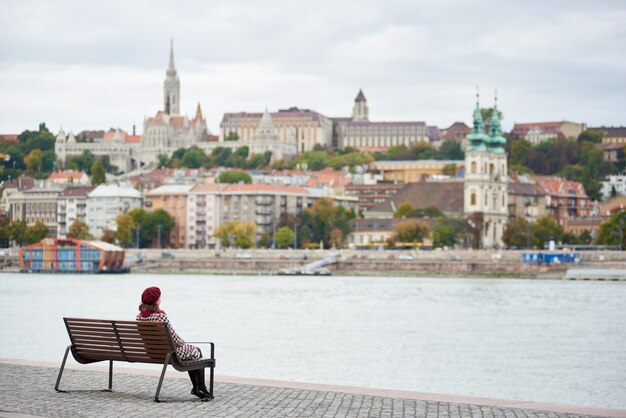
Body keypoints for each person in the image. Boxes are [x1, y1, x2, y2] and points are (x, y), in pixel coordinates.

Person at [136, 286, 212, 400]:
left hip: (152, 352)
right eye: (159, 298)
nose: (160, 299)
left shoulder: (139, 317)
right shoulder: (160, 316)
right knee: (196, 351)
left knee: (191, 352)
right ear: (156, 300)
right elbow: (174, 339)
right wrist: (183, 342)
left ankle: (197, 388)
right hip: (169, 353)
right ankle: (200, 387)